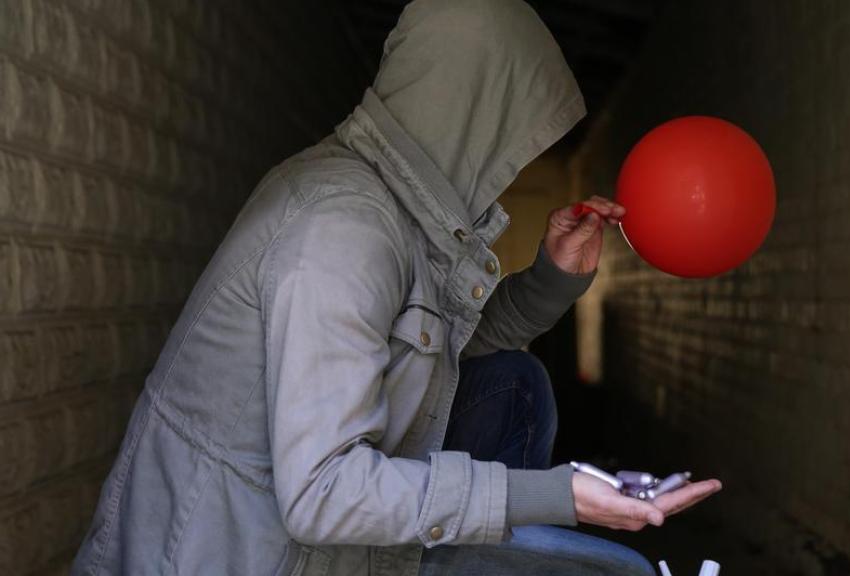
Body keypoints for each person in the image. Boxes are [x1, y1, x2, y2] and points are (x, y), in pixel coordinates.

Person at [72, 0, 721, 575]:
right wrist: (560, 494)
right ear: (466, 109)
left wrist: (551, 280)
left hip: (309, 538)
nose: (512, 164)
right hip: (253, 554)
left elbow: (438, 354)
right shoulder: (341, 228)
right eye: (510, 137)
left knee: (514, 387)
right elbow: (322, 494)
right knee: (615, 571)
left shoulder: (394, 215)